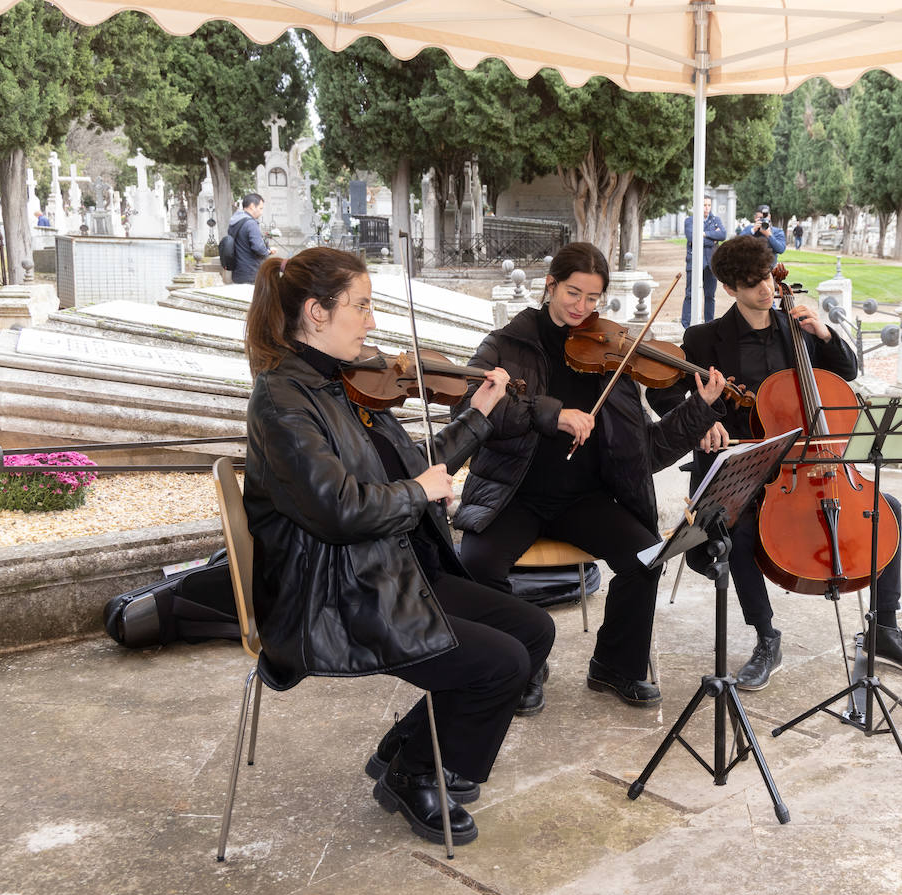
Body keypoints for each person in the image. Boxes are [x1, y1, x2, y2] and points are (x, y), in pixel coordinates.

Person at [242, 246, 554, 847]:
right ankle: (415, 773)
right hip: (337, 592)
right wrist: (416, 491)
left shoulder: (349, 386)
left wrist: (481, 415)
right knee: (501, 664)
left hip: (390, 569)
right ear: (315, 313)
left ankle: (404, 747)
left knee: (534, 631)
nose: (373, 321)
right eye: (361, 307)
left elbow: (422, 471)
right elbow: (338, 510)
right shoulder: (283, 400)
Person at [647, 234, 902, 690]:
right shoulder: (706, 339)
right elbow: (663, 389)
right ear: (730, 289)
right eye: (752, 284)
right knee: (742, 530)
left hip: (811, 462)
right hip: (746, 467)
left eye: (768, 277)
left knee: (887, 508)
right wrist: (699, 419)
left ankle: (883, 630)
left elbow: (846, 372)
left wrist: (825, 333)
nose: (766, 290)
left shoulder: (797, 326)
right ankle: (767, 638)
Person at [454, 242, 726, 709]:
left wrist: (697, 411)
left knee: (646, 558)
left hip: (584, 500)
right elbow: (471, 415)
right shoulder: (504, 344)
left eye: (594, 298)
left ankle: (614, 667)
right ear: (550, 285)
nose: (583, 308)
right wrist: (551, 415)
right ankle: (520, 661)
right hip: (512, 494)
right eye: (573, 293)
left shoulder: (614, 361)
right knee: (477, 565)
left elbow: (646, 452)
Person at [681, 195, 727, 328]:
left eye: (709, 205)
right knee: (690, 293)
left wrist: (703, 234)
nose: (707, 208)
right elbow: (692, 237)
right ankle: (686, 324)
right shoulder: (690, 220)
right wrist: (712, 237)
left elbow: (722, 235)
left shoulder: (715, 220)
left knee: (710, 295)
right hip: (694, 262)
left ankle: (709, 324)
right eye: (704, 205)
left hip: (711, 263)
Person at [228, 193, 277, 284]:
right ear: (252, 206)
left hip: (238, 272)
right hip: (251, 273)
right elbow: (258, 248)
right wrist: (269, 251)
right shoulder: (251, 223)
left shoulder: (235, 221)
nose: (261, 212)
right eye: (260, 208)